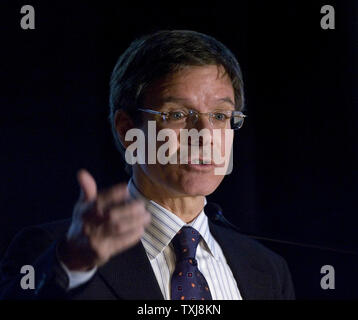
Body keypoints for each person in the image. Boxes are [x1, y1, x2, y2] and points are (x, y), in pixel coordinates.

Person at [0, 30, 295, 300]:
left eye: (220, 116)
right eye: (178, 114)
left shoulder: (267, 270)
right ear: (127, 130)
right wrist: (71, 265)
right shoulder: (59, 254)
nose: (205, 136)